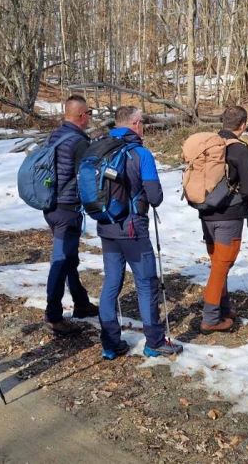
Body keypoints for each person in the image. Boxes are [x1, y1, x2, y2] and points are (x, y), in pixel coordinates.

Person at [96, 107, 182, 358]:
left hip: (105, 225)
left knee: (111, 283)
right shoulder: (140, 154)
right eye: (141, 122)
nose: (142, 126)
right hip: (133, 228)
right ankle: (154, 341)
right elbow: (155, 196)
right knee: (146, 284)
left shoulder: (100, 149)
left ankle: (110, 343)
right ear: (134, 124)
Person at [41, 95, 100, 336]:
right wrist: (97, 205)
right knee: (61, 261)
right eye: (89, 113)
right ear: (82, 116)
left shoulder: (54, 136)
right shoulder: (78, 143)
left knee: (69, 258)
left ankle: (81, 302)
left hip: (51, 206)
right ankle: (53, 315)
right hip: (67, 209)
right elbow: (86, 179)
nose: (90, 118)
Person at [199, 106, 248, 333]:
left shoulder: (209, 145)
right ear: (242, 125)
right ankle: (211, 319)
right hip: (229, 216)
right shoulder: (240, 150)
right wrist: (247, 202)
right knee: (221, 267)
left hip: (206, 213)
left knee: (218, 264)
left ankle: (223, 308)